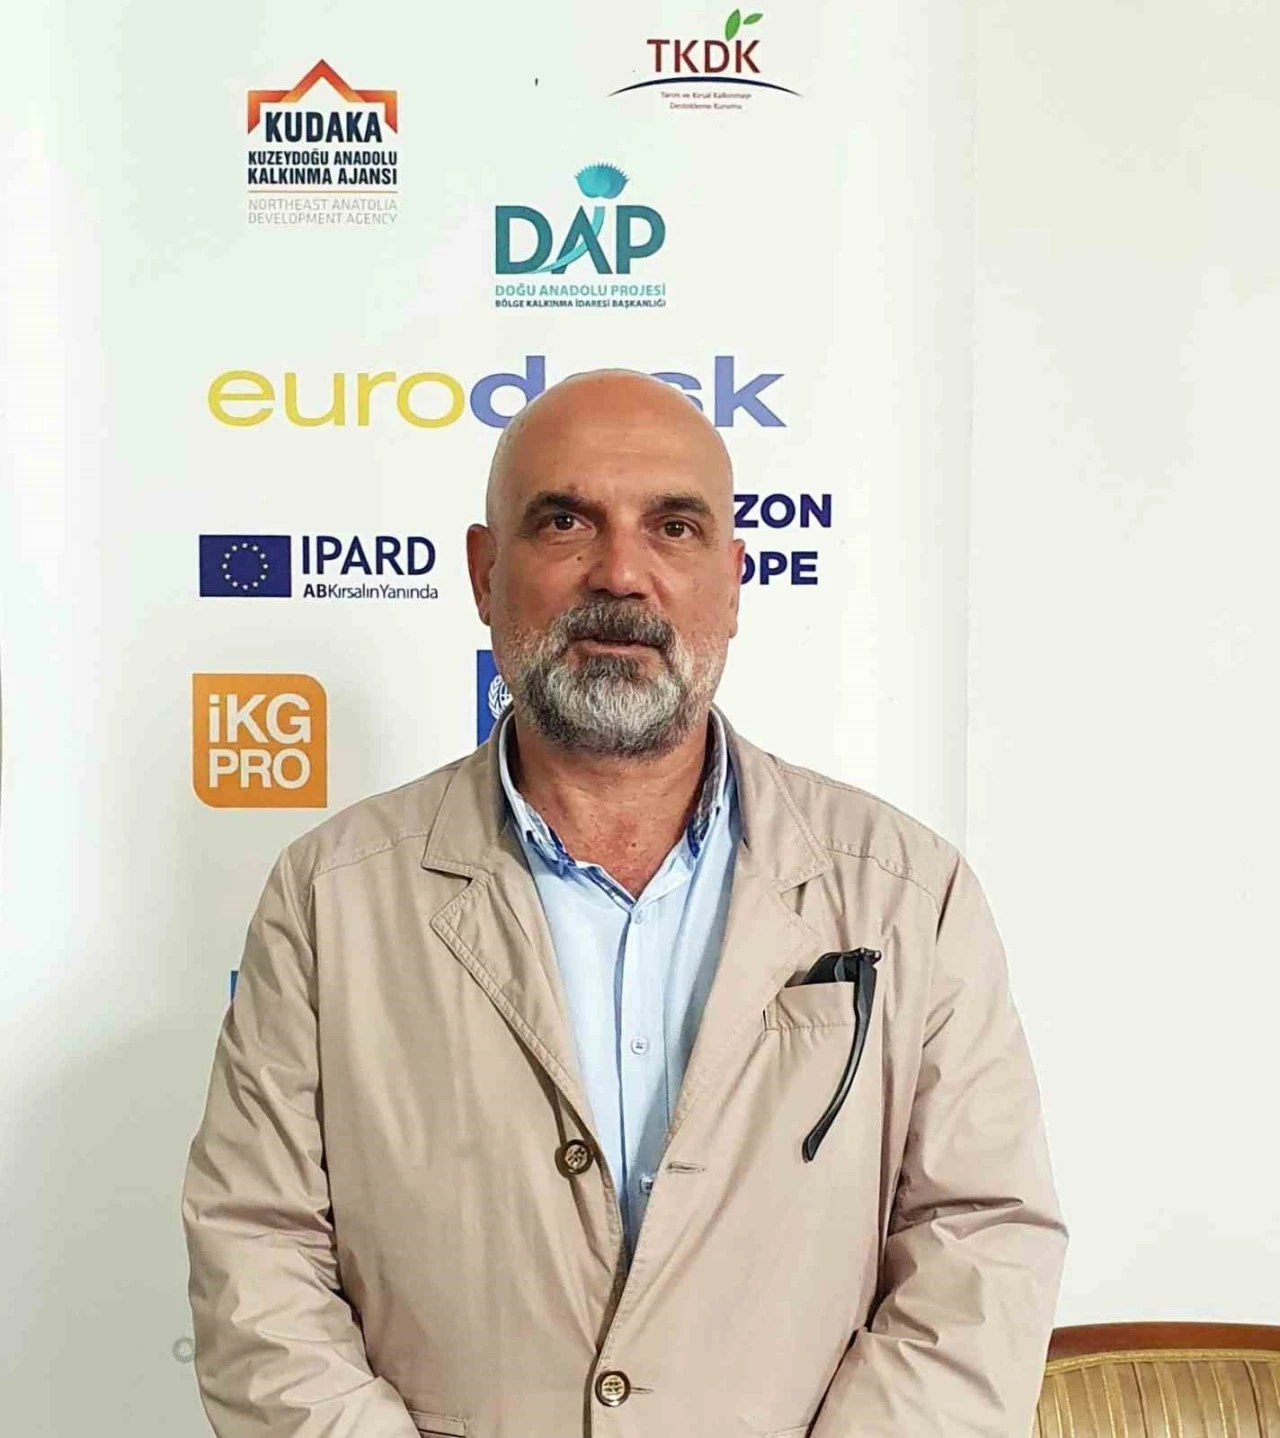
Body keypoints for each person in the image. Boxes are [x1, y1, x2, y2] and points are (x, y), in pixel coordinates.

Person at [182, 369, 1068, 1438]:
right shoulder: (330, 899)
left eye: (674, 528)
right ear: (483, 572)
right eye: (564, 522)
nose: (620, 573)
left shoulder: (907, 893)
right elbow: (258, 1254)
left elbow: (978, 1240)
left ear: (734, 581)